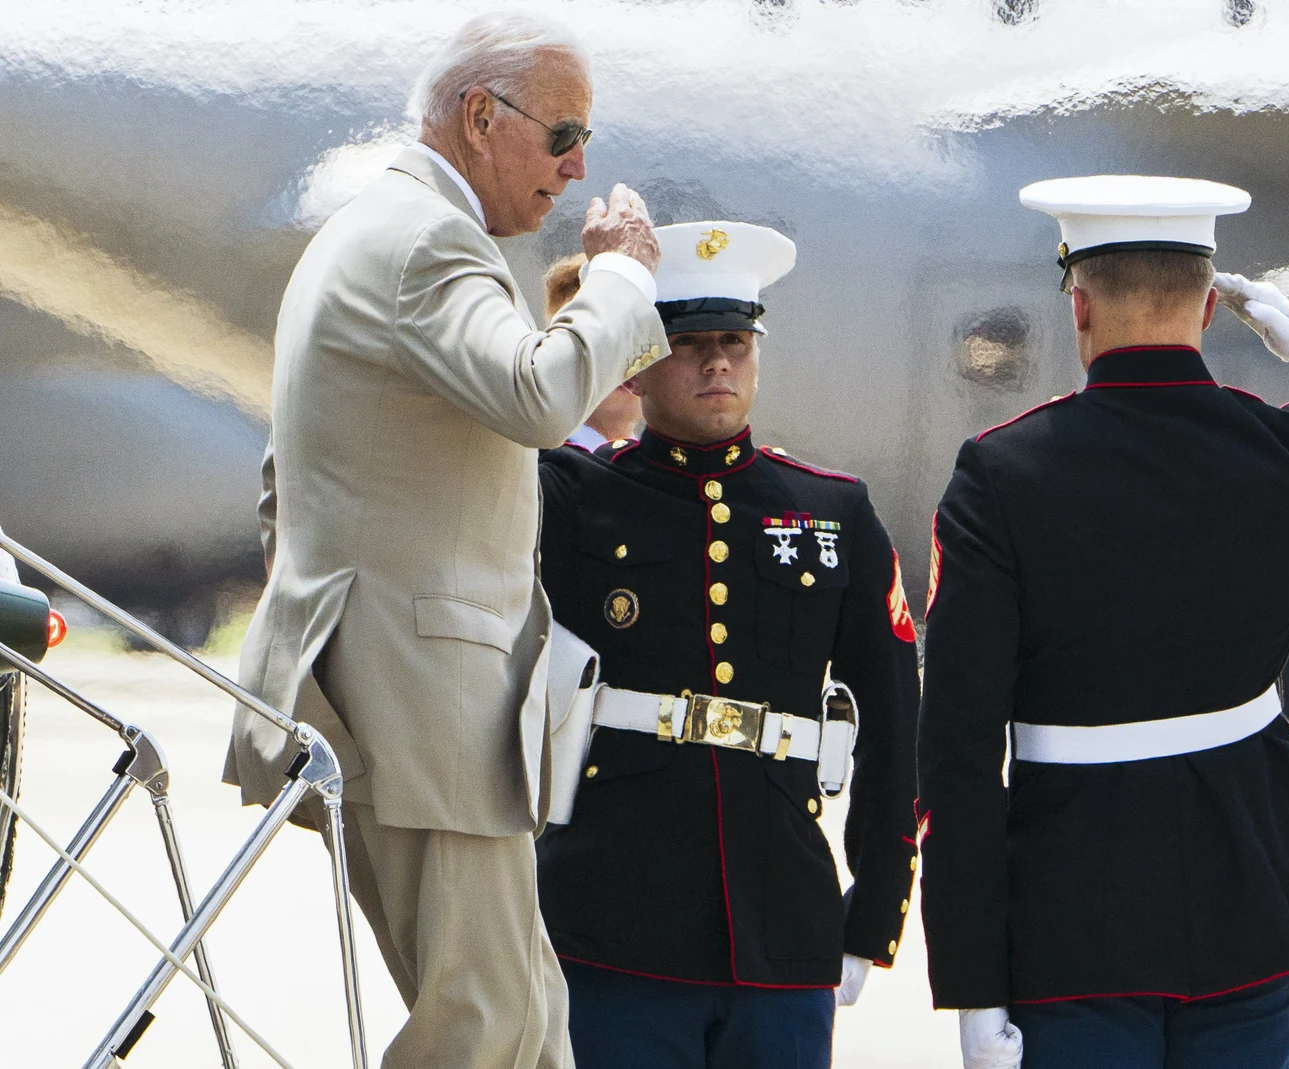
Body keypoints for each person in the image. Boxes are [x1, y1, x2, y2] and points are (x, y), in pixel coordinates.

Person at [916, 175, 1289, 1069]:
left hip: (1071, 907)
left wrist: (973, 979)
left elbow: (959, 745)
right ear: (1209, 309)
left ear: (1078, 306)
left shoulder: (1002, 473)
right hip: (1249, 885)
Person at [222, 12, 670, 1069]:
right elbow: (537, 391)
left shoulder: (373, 228)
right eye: (563, 135)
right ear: (481, 118)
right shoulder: (427, 238)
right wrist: (619, 280)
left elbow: (290, 483)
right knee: (484, 1032)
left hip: (402, 695)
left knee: (526, 1026)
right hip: (428, 706)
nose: (578, 166)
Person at [535, 221, 920, 1069]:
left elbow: (895, 722)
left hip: (781, 919)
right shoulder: (568, 496)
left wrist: (876, 908)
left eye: (737, 342)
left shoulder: (834, 511)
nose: (718, 363)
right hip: (612, 920)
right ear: (634, 362)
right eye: (688, 342)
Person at [545, 252, 644, 450]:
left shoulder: (668, 468)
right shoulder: (540, 467)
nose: (623, 357)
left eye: (637, 338)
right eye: (601, 340)